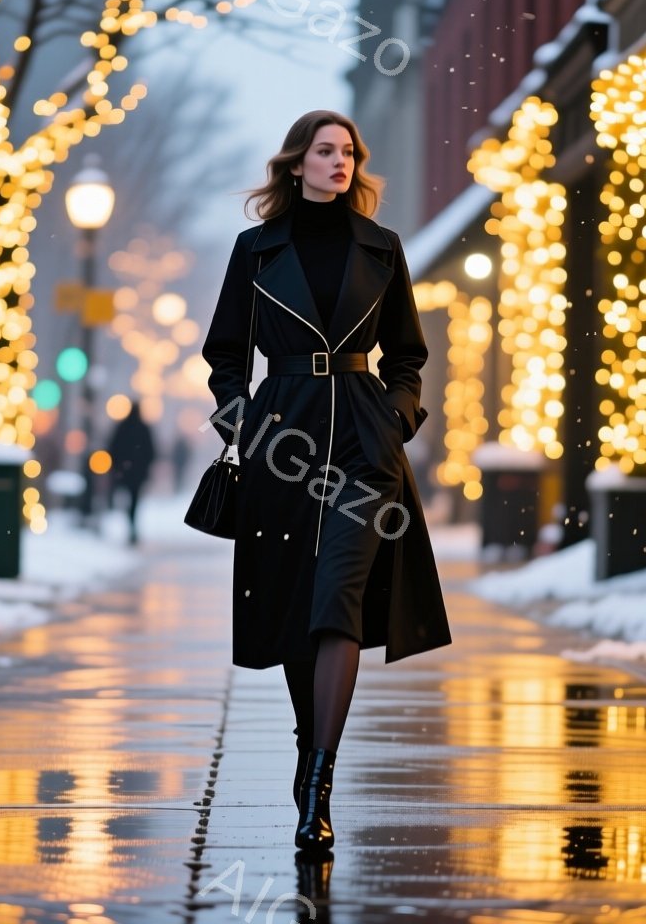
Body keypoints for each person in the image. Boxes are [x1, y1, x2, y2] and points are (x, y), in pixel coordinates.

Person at [200, 110, 452, 853]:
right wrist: (241, 422)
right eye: (325, 151)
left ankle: (318, 780)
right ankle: (310, 744)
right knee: (296, 611)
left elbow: (408, 354)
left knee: (339, 598)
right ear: (297, 163)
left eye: (348, 153)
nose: (339, 162)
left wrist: (397, 419)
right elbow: (223, 354)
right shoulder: (256, 250)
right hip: (283, 443)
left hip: (364, 447)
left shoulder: (382, 248)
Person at [105, 401, 156, 545]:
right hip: (137, 473)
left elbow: (113, 447)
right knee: (134, 500)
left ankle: (130, 522)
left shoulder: (123, 427)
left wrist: (118, 466)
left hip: (124, 472)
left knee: (125, 498)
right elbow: (151, 452)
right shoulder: (143, 428)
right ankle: (132, 524)